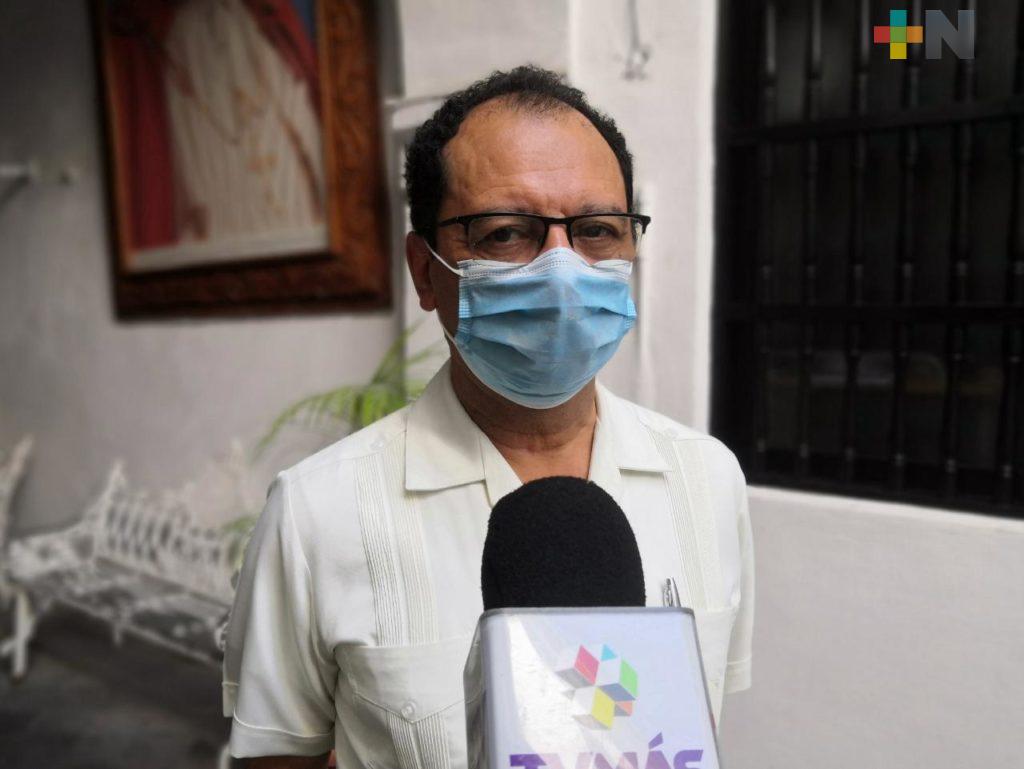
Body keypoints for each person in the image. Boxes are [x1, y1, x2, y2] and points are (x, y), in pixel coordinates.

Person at [222, 65, 754, 769]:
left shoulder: (707, 479)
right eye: (506, 234)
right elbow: (279, 758)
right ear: (425, 270)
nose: (563, 270)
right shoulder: (316, 513)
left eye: (597, 229)